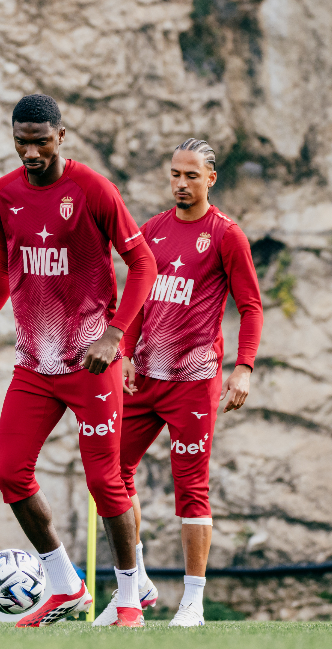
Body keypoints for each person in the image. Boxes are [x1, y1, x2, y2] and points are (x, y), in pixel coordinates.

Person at [0, 94, 157, 628]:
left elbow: (144, 262)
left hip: (91, 363)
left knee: (104, 482)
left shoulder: (92, 188)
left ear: (61, 136)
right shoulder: (2, 193)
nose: (30, 151)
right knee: (10, 473)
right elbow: (7, 263)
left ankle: (127, 599)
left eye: (40, 141)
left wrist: (114, 334)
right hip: (33, 365)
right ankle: (65, 585)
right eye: (21, 141)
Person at [94, 138, 262, 627]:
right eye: (175, 174)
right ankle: (137, 584)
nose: (181, 184)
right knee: (111, 473)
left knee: (190, 487)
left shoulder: (227, 235)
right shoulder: (153, 231)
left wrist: (244, 367)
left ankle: (193, 602)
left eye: (191, 175)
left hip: (195, 379)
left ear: (211, 179)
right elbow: (139, 298)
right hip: (144, 377)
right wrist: (124, 351)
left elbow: (250, 307)